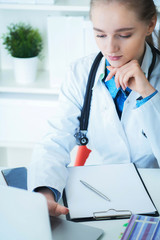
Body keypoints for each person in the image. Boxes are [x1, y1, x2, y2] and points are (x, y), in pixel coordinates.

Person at [28, 0, 160, 217]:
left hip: (155, 195)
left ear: (150, 24)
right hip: (98, 192)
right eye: (100, 35)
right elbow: (55, 139)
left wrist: (148, 95)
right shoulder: (80, 73)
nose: (110, 48)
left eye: (124, 35)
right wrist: (44, 193)